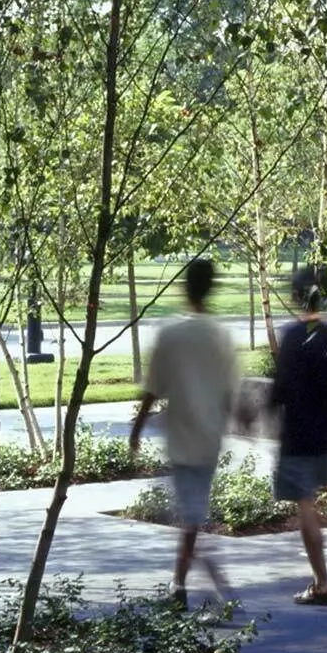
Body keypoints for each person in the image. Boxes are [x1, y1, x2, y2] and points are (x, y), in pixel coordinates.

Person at [129, 255, 237, 608]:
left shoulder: (171, 333)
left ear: (184, 287)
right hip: (208, 437)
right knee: (192, 512)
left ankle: (184, 585)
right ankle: (184, 581)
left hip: (180, 436)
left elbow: (153, 387)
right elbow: (231, 391)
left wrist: (138, 427)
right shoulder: (220, 335)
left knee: (191, 514)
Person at [268, 263, 327, 606]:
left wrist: (263, 411)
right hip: (322, 436)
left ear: (295, 296)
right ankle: (319, 579)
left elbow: (281, 387)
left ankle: (323, 583)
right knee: (309, 503)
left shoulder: (292, 337)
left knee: (305, 507)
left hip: (297, 436)